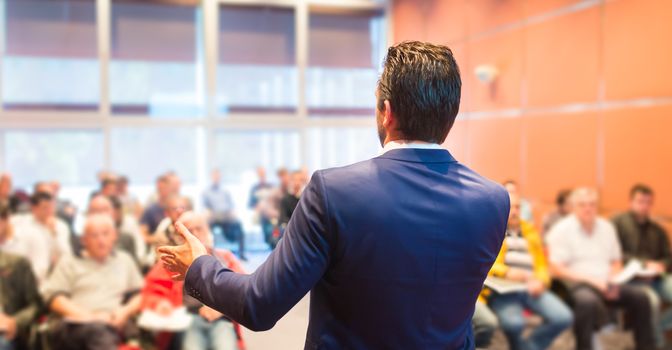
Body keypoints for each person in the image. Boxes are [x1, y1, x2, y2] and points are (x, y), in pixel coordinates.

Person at [159, 41, 510, 348]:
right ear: (450, 116)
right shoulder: (494, 201)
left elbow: (259, 305)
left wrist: (199, 266)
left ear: (386, 112)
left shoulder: (334, 192)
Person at [547, 187, 654, 350]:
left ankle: (645, 346)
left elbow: (616, 261)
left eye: (592, 204)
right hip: (576, 284)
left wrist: (614, 281)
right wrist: (594, 282)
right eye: (582, 205)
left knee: (642, 298)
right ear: (574, 207)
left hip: (607, 282)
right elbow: (556, 269)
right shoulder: (561, 230)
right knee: (587, 302)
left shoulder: (607, 227)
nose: (588, 208)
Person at [142, 212, 245, 350]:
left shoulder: (225, 258)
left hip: (221, 319)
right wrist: (161, 304)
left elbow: (243, 293)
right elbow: (150, 293)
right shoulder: (169, 261)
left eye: (199, 229)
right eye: (189, 231)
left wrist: (222, 310)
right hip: (187, 320)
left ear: (208, 231)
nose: (195, 234)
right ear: (180, 237)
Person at [42, 214, 143, 350]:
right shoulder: (69, 261)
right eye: (94, 236)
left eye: (105, 234)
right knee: (98, 331)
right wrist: (91, 317)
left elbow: (140, 294)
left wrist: (125, 311)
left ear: (114, 236)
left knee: (106, 332)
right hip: (76, 325)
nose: (101, 241)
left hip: (114, 322)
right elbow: (54, 299)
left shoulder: (124, 260)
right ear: (84, 240)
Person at [486, 192, 572, 350]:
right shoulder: (492, 230)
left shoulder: (530, 230)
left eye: (518, 207)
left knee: (563, 317)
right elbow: (485, 263)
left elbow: (541, 263)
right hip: (504, 291)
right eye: (510, 207)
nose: (515, 211)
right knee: (514, 324)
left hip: (531, 286)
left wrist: (541, 280)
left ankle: (528, 347)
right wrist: (507, 272)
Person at [612, 184, 672, 348]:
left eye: (648, 202)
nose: (644, 206)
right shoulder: (617, 223)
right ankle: (656, 344)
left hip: (657, 277)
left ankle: (657, 328)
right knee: (650, 301)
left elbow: (668, 257)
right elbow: (614, 254)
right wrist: (643, 263)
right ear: (630, 202)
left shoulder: (657, 230)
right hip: (630, 278)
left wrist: (661, 265)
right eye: (640, 202)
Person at [0, 206, 41, 350]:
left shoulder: (18, 264)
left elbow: (36, 305)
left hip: (6, 329)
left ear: (4, 223)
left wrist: (15, 321)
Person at [10, 192, 72, 284]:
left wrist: (54, 233)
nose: (50, 211)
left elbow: (67, 255)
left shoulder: (61, 226)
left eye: (52, 207)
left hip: (51, 271)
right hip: (23, 266)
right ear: (34, 208)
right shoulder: (20, 221)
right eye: (45, 208)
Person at [203, 169, 246, 261]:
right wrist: (208, 213)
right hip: (214, 216)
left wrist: (232, 212)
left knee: (238, 224)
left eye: (218, 176)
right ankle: (210, 254)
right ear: (211, 177)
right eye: (214, 176)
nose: (216, 178)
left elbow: (231, 205)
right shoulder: (206, 192)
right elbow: (205, 207)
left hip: (226, 215)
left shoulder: (225, 191)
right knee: (206, 227)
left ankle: (241, 253)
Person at [87, 194, 138, 263]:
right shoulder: (78, 243)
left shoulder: (127, 239)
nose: (101, 214)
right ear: (88, 214)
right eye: (96, 210)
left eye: (105, 210)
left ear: (112, 213)